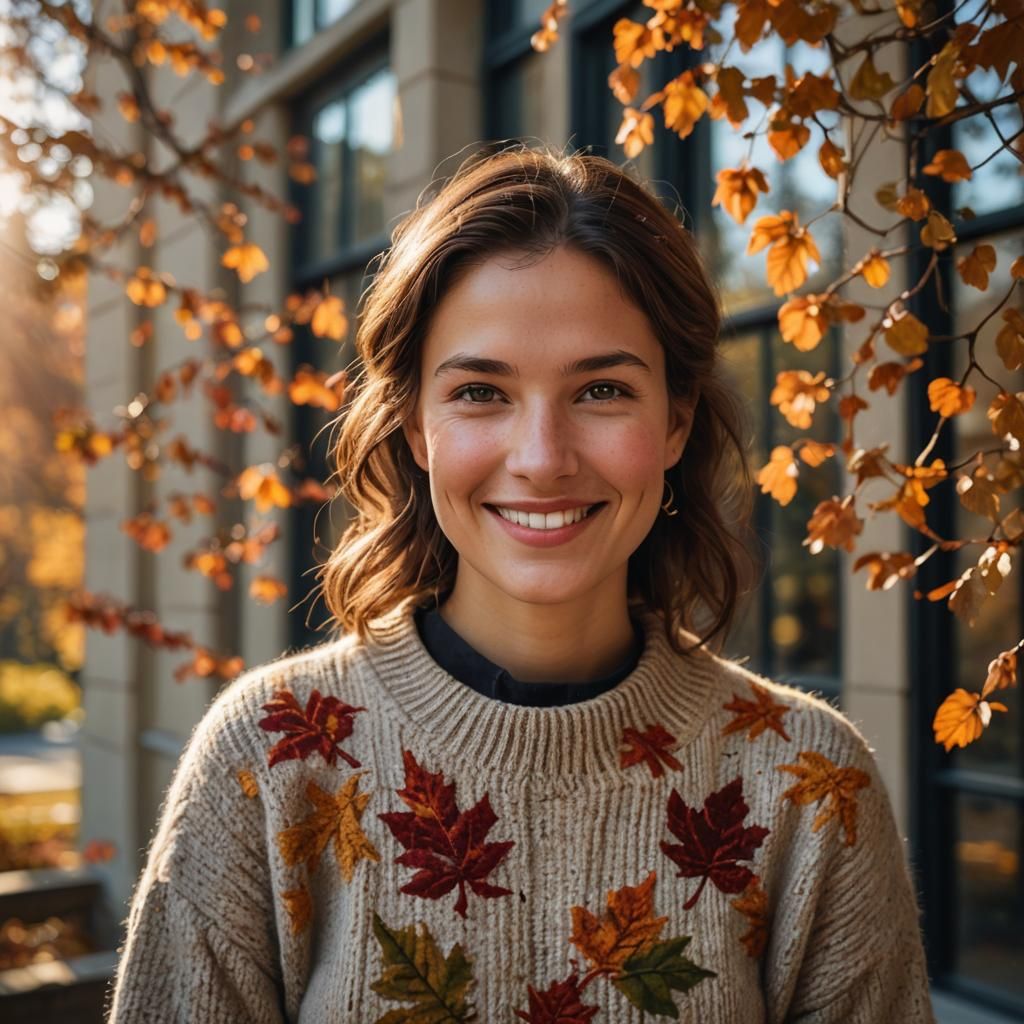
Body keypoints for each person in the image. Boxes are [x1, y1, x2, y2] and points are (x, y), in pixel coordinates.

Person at [107, 144, 935, 1023]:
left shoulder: (808, 786)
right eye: (480, 394)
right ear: (416, 428)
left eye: (603, 389)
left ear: (677, 422)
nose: (542, 459)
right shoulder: (270, 758)